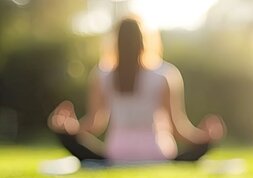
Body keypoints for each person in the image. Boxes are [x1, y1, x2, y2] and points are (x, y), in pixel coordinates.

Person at [48, 17, 224, 164]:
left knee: (68, 140)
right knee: (202, 147)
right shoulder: (165, 75)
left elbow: (95, 124)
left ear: (115, 42)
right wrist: (204, 137)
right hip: (157, 153)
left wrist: (69, 129)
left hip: (117, 153)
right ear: (145, 41)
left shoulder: (101, 75)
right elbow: (178, 129)